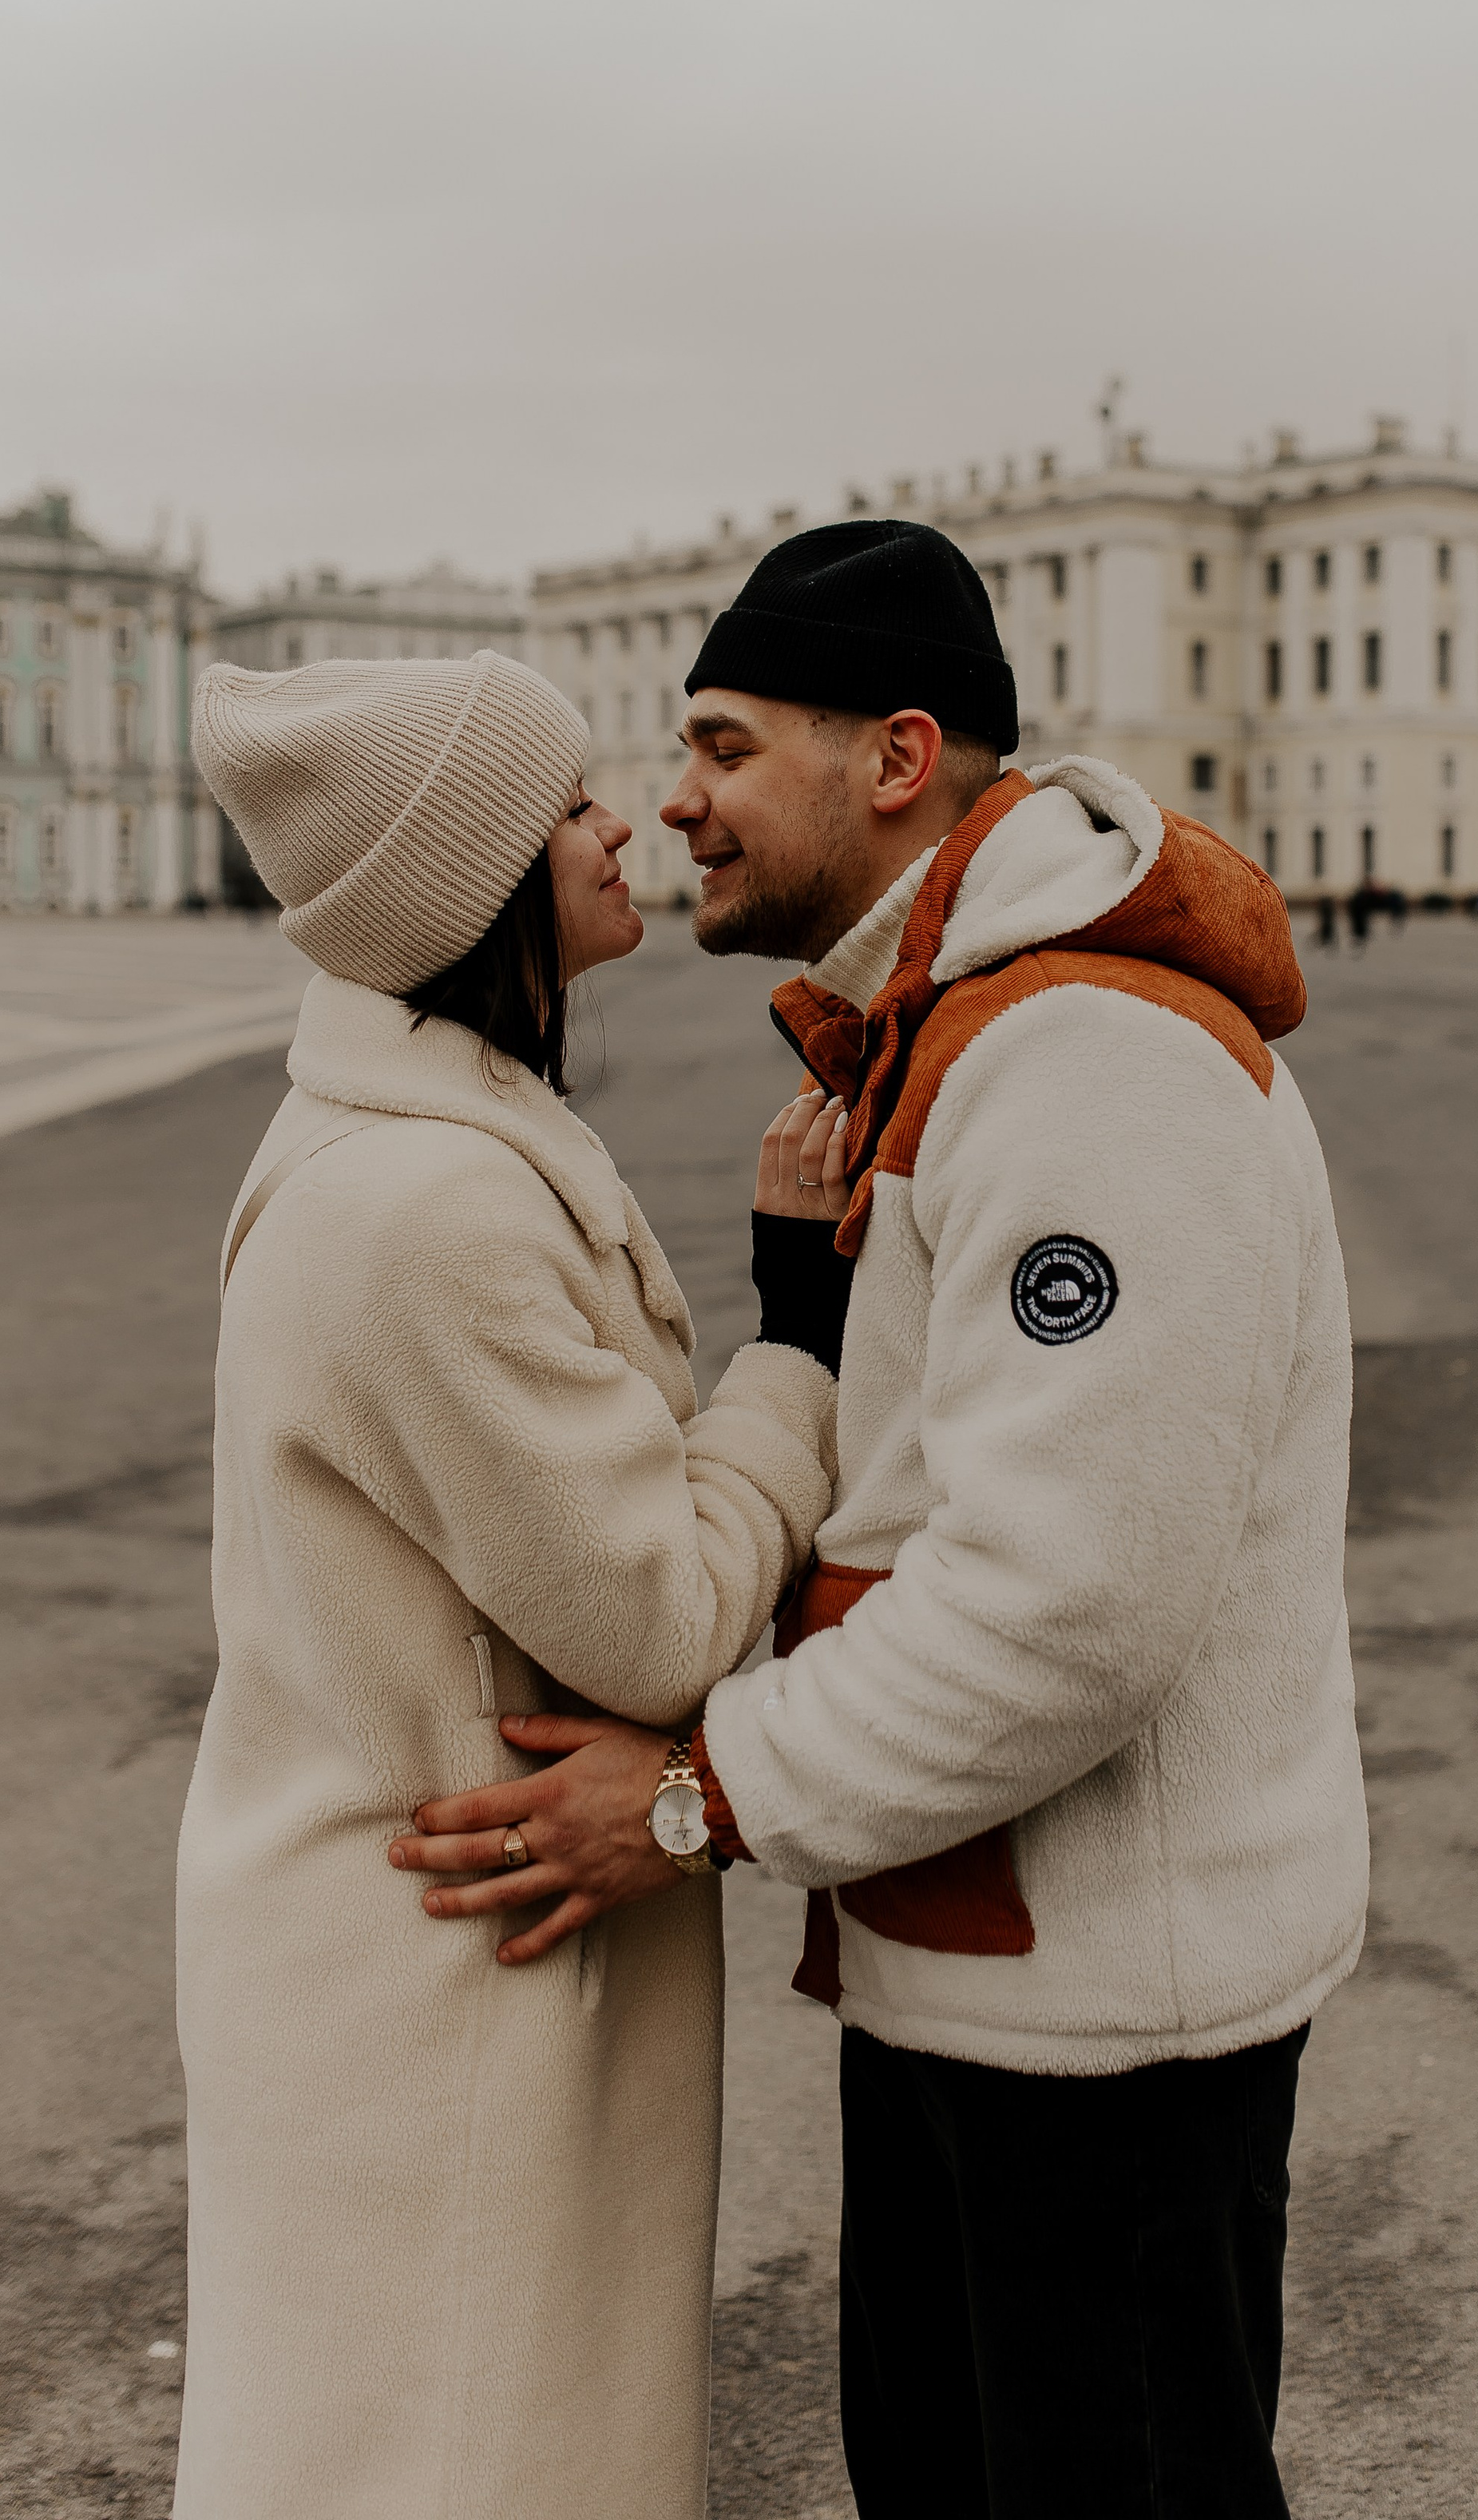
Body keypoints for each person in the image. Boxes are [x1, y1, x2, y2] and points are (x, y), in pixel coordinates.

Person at [402, 525, 1370, 2520]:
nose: (674, 799)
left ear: (898, 755)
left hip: (1100, 2027)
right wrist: (816, 1319)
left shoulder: (1085, 1060)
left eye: (723, 744)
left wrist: (690, 1792)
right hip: (986, 1955)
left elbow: (1065, 1604)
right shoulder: (968, 1029)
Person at [177, 651, 854, 2520]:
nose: (620, 817)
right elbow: (651, 1612)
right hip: (454, 1981)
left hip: (405, 1943)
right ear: (466, 880)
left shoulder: (405, 1137)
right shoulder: (431, 1207)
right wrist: (795, 1346)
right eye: (566, 806)